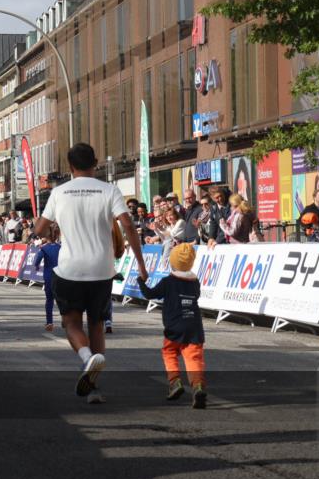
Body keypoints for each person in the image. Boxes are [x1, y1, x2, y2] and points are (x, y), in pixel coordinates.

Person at [33, 143, 148, 405]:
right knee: (96, 323)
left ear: (70, 166)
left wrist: (51, 228)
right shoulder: (110, 190)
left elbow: (40, 229)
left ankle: (87, 359)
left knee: (71, 323)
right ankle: (94, 389)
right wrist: (140, 263)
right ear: (95, 162)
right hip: (101, 269)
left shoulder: (59, 192)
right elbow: (127, 223)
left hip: (70, 268)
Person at [136, 243, 207, 409]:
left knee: (169, 352)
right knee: (193, 357)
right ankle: (197, 387)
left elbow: (150, 294)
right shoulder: (195, 282)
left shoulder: (168, 281)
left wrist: (141, 281)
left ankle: (175, 382)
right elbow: (196, 295)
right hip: (194, 326)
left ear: (173, 262)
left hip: (174, 326)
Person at [34, 222, 61, 333]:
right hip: (61, 276)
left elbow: (37, 261)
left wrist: (36, 266)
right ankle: (65, 318)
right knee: (61, 300)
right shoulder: (61, 247)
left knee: (49, 300)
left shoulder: (44, 249)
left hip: (49, 277)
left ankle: (49, 322)